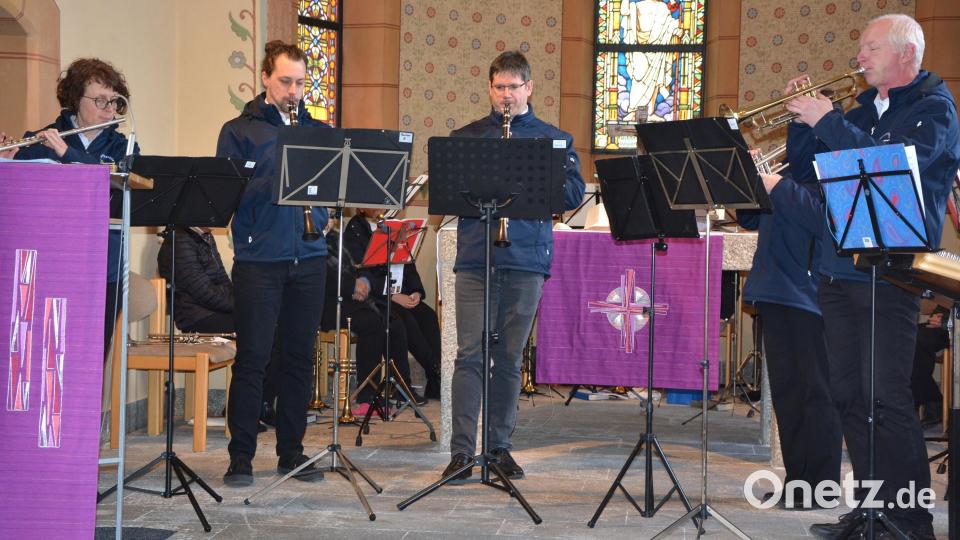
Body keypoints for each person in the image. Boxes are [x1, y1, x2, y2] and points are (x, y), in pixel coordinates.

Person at [764, 14, 960, 539]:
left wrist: (829, 120)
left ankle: (910, 518)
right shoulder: (862, 110)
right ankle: (872, 511)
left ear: (906, 53)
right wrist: (801, 121)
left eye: (871, 48)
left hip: (891, 273)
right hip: (838, 267)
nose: (859, 57)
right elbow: (806, 172)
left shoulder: (934, 108)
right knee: (848, 396)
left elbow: (892, 168)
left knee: (885, 397)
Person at [443, 51, 585, 481]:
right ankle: (462, 453)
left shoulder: (553, 139)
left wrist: (541, 176)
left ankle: (499, 448)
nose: (506, 95)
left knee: (508, 357)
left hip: (525, 260)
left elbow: (572, 194)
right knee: (470, 355)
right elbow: (450, 192)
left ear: (529, 88)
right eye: (499, 87)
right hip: (476, 259)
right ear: (490, 89)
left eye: (514, 87)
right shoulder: (467, 137)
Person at [216, 40, 329, 487]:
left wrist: (324, 212)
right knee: (254, 358)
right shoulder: (239, 130)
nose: (293, 91)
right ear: (265, 78)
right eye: (285, 81)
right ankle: (240, 456)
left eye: (300, 83)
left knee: (300, 358)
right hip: (260, 259)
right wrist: (279, 163)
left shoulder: (318, 130)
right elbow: (228, 192)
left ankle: (291, 452)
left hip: (310, 257)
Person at [0, 58, 137, 360]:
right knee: (44, 350)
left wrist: (67, 153)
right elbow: (17, 203)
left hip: (103, 263)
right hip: (50, 262)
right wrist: (7, 164)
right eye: (100, 100)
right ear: (76, 99)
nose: (109, 109)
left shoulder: (123, 147)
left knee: (91, 355)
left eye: (114, 101)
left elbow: (118, 182)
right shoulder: (40, 138)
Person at [736, 163, 841, 509]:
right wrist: (746, 179)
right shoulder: (790, 170)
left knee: (817, 393)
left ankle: (822, 488)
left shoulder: (831, 163)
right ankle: (798, 483)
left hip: (811, 294)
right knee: (788, 395)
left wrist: (778, 186)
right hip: (773, 289)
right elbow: (748, 219)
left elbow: (828, 220)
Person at [322, 218, 424, 409]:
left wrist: (364, 283)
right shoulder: (315, 240)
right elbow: (325, 277)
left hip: (353, 298)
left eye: (332, 216)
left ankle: (400, 386)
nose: (331, 220)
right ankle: (367, 394)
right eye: (327, 215)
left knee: (391, 320)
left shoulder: (336, 237)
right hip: (330, 304)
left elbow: (362, 266)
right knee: (372, 323)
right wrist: (351, 286)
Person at [344, 209, 441, 400]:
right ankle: (413, 380)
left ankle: (434, 378)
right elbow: (362, 273)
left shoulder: (395, 227)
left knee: (428, 316)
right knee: (403, 320)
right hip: (377, 297)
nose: (382, 208)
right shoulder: (355, 229)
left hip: (401, 293)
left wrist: (416, 292)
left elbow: (408, 264)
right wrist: (392, 296)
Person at [156, 227, 234, 333]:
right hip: (195, 316)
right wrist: (238, 305)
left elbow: (223, 278)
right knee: (250, 323)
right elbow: (202, 292)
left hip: (211, 309)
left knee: (253, 317)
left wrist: (240, 302)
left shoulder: (205, 235)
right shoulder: (180, 239)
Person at [911, 306, 949, 426]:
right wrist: (937, 317)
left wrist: (946, 321)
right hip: (939, 324)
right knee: (909, 335)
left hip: (953, 326)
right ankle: (932, 400)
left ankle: (925, 400)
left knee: (919, 340)